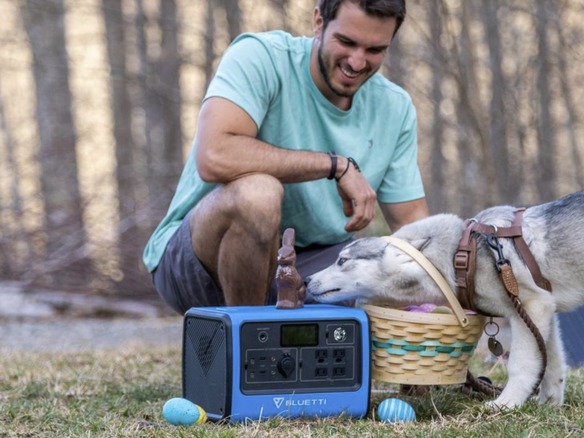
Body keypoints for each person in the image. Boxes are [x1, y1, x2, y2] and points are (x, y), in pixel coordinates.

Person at [142, 0, 429, 315]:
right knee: (258, 195)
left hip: (308, 270)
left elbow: (414, 230)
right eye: (346, 42)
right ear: (318, 21)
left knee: (379, 274)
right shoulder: (260, 57)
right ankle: (245, 349)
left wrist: (442, 304)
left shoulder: (395, 108)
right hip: (200, 266)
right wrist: (334, 165)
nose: (357, 62)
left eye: (375, 50)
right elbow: (214, 156)